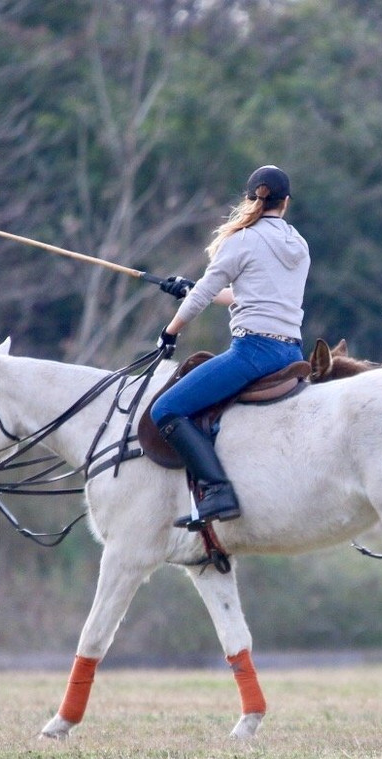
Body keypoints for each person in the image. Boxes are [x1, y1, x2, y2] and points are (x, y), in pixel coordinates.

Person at [150, 165, 310, 529]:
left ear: (251, 198)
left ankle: (217, 490)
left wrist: (170, 332)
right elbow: (248, 294)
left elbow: (209, 294)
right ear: (286, 202)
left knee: (166, 409)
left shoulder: (242, 240)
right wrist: (191, 289)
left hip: (253, 352)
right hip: (291, 354)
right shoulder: (298, 245)